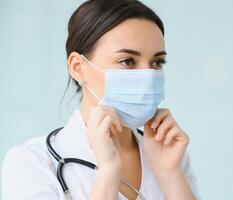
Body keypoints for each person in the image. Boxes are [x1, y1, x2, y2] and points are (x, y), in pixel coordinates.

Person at [1, 0, 200, 199]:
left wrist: (169, 174)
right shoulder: (30, 163)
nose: (148, 76)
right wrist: (108, 173)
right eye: (127, 61)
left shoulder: (171, 156)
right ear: (78, 67)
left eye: (157, 62)